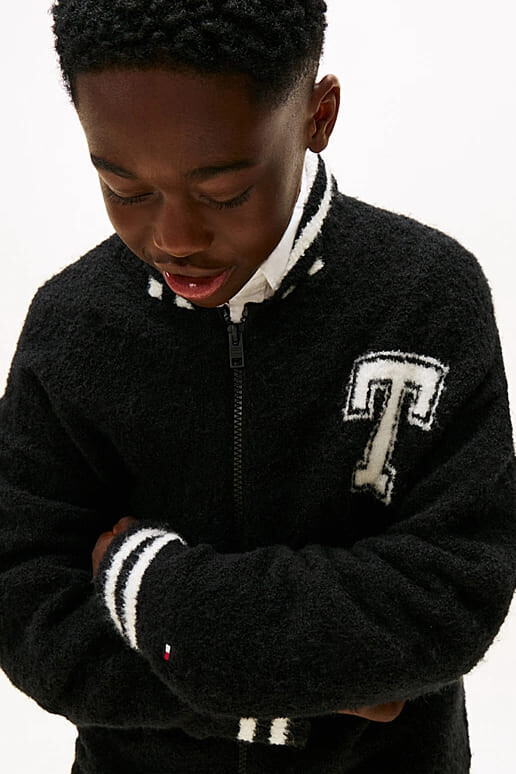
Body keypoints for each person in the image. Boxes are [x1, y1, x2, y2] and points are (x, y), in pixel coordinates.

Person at [0, 1, 514, 772]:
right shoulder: (69, 326)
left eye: (225, 191)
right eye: (124, 188)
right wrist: (307, 685)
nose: (174, 238)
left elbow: (452, 595)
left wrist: (146, 583)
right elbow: (27, 610)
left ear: (317, 116)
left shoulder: (430, 297)